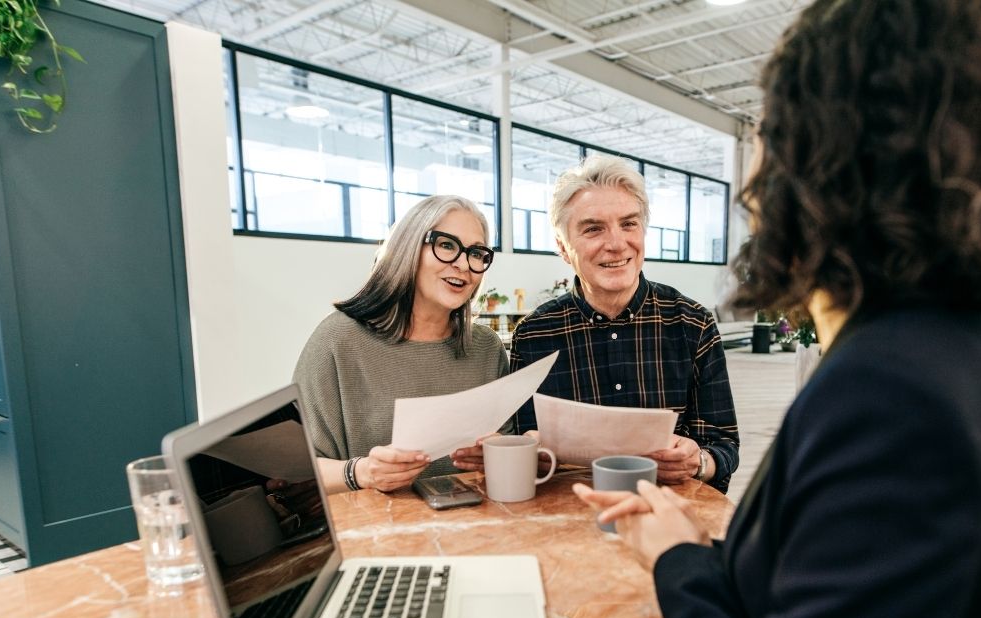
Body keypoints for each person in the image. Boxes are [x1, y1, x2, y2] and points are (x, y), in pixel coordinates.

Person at [576, 0, 981, 618]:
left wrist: (678, 562)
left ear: (820, 161)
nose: (753, 189)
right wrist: (690, 549)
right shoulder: (964, 350)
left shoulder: (890, 393)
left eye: (771, 136)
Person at [456, 155, 740, 492]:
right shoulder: (535, 334)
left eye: (629, 224)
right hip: (571, 518)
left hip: (669, 517)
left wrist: (699, 461)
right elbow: (526, 447)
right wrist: (530, 452)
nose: (617, 243)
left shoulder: (693, 324)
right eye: (594, 229)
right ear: (563, 247)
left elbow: (723, 445)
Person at [293, 195, 508, 494]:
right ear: (408, 248)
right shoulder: (338, 340)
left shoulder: (486, 348)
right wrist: (363, 472)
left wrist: (497, 456)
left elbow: (507, 444)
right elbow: (294, 475)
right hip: (376, 534)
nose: (463, 265)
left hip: (477, 528)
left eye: (476, 253)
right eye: (446, 245)